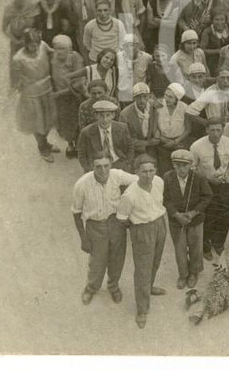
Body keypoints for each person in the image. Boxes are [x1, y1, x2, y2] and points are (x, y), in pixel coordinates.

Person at [72, 153, 138, 306]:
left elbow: (139, 180)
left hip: (116, 223)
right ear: (91, 167)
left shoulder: (117, 175)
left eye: (106, 166)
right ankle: (91, 287)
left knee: (117, 257)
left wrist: (130, 201)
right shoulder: (82, 184)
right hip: (95, 226)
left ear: (111, 165)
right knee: (97, 261)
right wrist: (83, 239)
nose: (103, 170)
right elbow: (76, 212)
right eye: (98, 167)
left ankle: (113, 286)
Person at [116, 157, 167, 329]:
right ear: (136, 172)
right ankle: (142, 309)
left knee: (155, 261)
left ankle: (150, 287)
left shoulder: (159, 182)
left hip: (160, 224)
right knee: (143, 270)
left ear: (155, 171)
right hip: (142, 229)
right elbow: (122, 218)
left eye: (151, 170)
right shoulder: (129, 195)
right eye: (144, 171)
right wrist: (138, 228)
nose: (148, 175)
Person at [164, 149, 213, 289]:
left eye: (184, 165)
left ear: (191, 165)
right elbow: (165, 199)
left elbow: (207, 196)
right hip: (176, 221)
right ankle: (183, 274)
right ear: (173, 165)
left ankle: (194, 273)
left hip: (195, 219)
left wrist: (193, 213)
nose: (181, 168)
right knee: (179, 247)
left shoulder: (199, 177)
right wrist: (176, 215)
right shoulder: (167, 177)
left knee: (195, 246)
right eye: (178, 165)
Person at [189, 117, 229, 260]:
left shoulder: (228, 142)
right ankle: (205, 247)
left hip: (223, 184)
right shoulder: (196, 146)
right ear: (207, 130)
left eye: (218, 130)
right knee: (207, 216)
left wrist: (226, 173)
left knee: (224, 215)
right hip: (205, 185)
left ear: (223, 129)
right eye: (212, 130)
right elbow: (192, 169)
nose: (215, 133)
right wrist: (207, 179)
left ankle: (219, 243)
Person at [11, 29, 58, 160]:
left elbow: (52, 53)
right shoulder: (18, 59)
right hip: (32, 95)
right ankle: (42, 148)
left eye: (37, 44)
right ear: (26, 44)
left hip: (47, 89)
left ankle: (46, 143)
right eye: (32, 45)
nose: (36, 47)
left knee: (48, 119)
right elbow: (15, 79)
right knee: (37, 123)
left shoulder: (43, 45)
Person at [49, 35, 86, 157]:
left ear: (69, 49)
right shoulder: (52, 60)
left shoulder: (76, 58)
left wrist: (59, 93)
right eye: (56, 48)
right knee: (63, 123)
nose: (58, 51)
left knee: (77, 122)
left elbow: (79, 82)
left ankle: (79, 145)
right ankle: (70, 144)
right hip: (60, 99)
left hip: (75, 97)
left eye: (62, 48)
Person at [77, 99, 135, 173]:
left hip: (118, 163)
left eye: (108, 115)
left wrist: (127, 164)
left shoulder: (122, 128)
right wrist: (89, 170)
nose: (105, 119)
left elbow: (130, 147)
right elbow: (81, 154)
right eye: (101, 116)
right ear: (96, 115)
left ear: (113, 115)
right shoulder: (86, 132)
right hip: (98, 165)